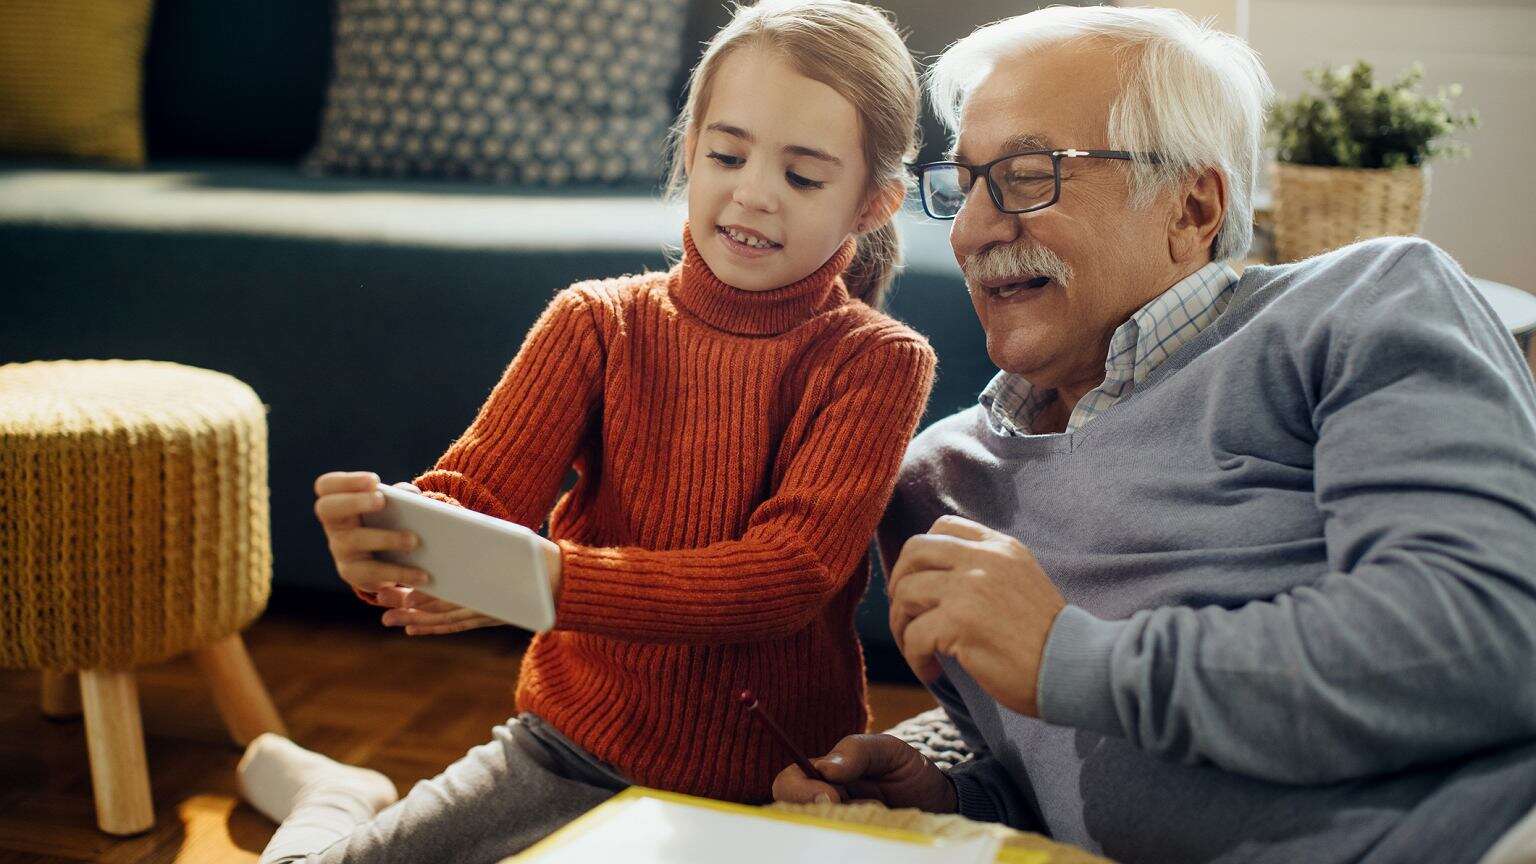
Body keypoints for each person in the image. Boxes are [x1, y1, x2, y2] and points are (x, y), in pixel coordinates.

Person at [773, 6, 1536, 864]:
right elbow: (1066, 777)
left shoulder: (1365, 303)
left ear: (1192, 204)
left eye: (1028, 175)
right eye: (963, 181)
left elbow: (1487, 640)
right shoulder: (936, 481)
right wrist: (947, 794)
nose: (971, 230)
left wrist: (1075, 659)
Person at [236, 2, 936, 861]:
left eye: (803, 176)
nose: (752, 192)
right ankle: (336, 798)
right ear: (689, 151)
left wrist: (549, 580)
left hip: (778, 784)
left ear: (874, 203)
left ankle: (345, 797)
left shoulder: (878, 362)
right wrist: (397, 536)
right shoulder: (595, 323)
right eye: (727, 154)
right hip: (568, 751)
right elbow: (476, 493)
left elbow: (787, 575)